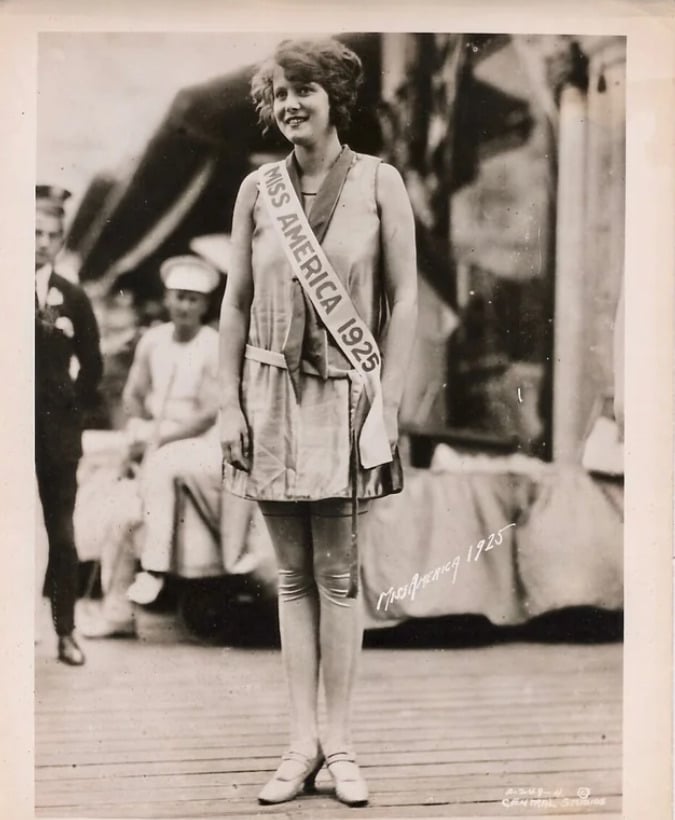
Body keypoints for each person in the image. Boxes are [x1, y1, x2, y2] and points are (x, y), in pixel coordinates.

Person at [219, 38, 417, 807]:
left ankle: (339, 743)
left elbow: (403, 300)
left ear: (335, 95)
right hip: (267, 393)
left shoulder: (379, 182)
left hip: (346, 394)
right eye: (277, 94)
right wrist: (226, 403)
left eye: (303, 89)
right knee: (291, 577)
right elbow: (234, 304)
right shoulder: (256, 191)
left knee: (338, 578)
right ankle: (299, 741)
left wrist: (389, 401)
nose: (289, 104)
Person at [122, 255, 222, 608]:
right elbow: (133, 394)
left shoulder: (213, 344)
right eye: (178, 296)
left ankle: (154, 567)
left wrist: (160, 439)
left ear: (205, 305)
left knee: (162, 464)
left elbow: (209, 414)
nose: (184, 306)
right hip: (156, 429)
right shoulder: (153, 340)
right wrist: (138, 428)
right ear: (167, 298)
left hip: (197, 439)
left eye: (193, 299)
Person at [35, 184, 103, 665]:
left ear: (60, 242)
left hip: (56, 435)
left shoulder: (72, 296)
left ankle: (66, 633)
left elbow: (93, 365)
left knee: (62, 532)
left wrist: (70, 410)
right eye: (34, 232)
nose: (41, 242)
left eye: (51, 235)